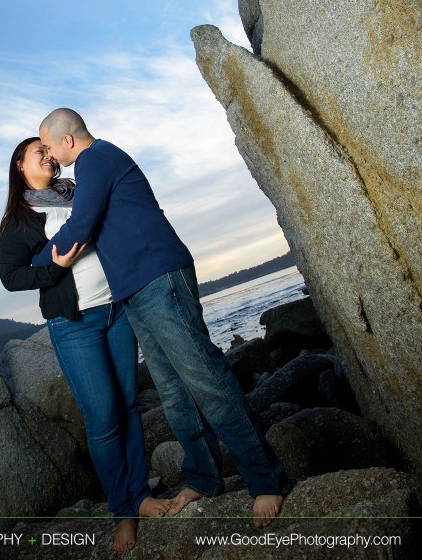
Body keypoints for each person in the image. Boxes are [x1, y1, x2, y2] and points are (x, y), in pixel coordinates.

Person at [32, 110, 288, 528]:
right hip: (135, 290)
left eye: (51, 147)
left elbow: (81, 224)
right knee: (173, 390)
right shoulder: (93, 165)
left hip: (158, 277)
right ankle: (204, 478)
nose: (53, 158)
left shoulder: (97, 159)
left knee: (205, 376)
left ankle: (264, 479)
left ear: (68, 140)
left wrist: (37, 261)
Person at [0, 137, 170, 554]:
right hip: (73, 324)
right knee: (103, 417)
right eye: (39, 150)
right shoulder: (18, 221)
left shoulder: (79, 192)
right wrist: (53, 268)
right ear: (21, 166)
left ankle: (141, 495)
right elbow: (11, 277)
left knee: (128, 405)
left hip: (117, 309)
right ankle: (121, 512)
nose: (48, 154)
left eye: (49, 149)